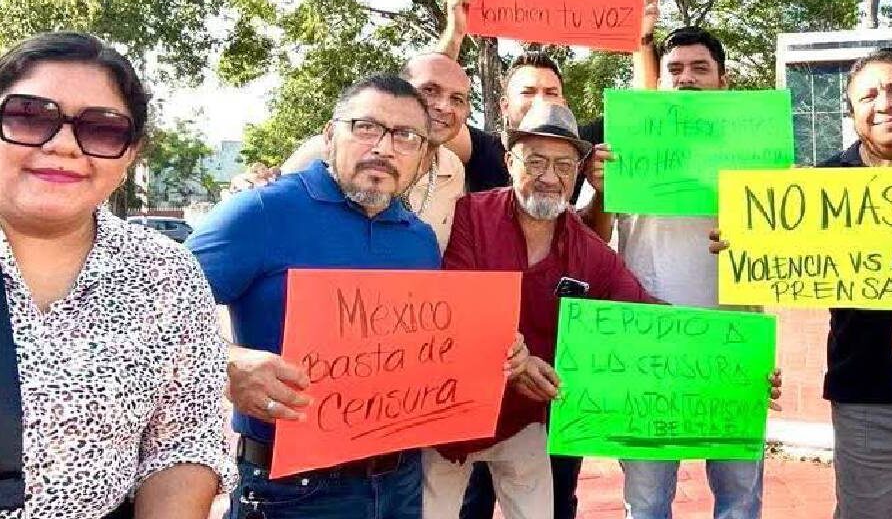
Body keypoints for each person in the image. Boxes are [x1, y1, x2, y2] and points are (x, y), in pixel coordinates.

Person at [188, 73, 526, 519]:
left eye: (405, 137)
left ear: (423, 157)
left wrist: (499, 349)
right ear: (330, 136)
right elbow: (147, 312)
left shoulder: (419, 239)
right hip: (292, 492)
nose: (384, 148)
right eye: (366, 127)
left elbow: (423, 345)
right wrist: (226, 363)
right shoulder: (259, 213)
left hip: (401, 483)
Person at [712, 48, 892, 519]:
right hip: (865, 387)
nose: (885, 103)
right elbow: (779, 260)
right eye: (869, 95)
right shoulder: (822, 185)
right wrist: (744, 242)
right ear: (852, 114)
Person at [0, 32, 233, 519]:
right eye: (28, 116)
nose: (63, 145)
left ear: (130, 155)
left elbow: (185, 439)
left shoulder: (164, 274)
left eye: (102, 130)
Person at [422, 103, 660, 519]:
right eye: (535, 161)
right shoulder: (469, 216)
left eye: (564, 165)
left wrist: (737, 366)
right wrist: (515, 357)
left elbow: (646, 314)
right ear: (509, 161)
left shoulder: (589, 250)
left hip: (523, 421)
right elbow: (455, 304)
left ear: (579, 171)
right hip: (451, 415)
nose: (550, 177)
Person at [594, 26, 769, 519]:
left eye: (699, 69)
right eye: (674, 70)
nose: (685, 79)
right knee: (647, 502)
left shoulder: (758, 151)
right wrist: (604, 187)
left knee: (739, 499)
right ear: (660, 83)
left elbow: (785, 243)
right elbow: (595, 234)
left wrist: (754, 235)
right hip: (647, 344)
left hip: (733, 341)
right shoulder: (627, 149)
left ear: (723, 81)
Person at [279, 54, 470, 250]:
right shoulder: (327, 149)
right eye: (429, 90)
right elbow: (272, 203)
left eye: (457, 99)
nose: (444, 106)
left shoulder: (454, 171)